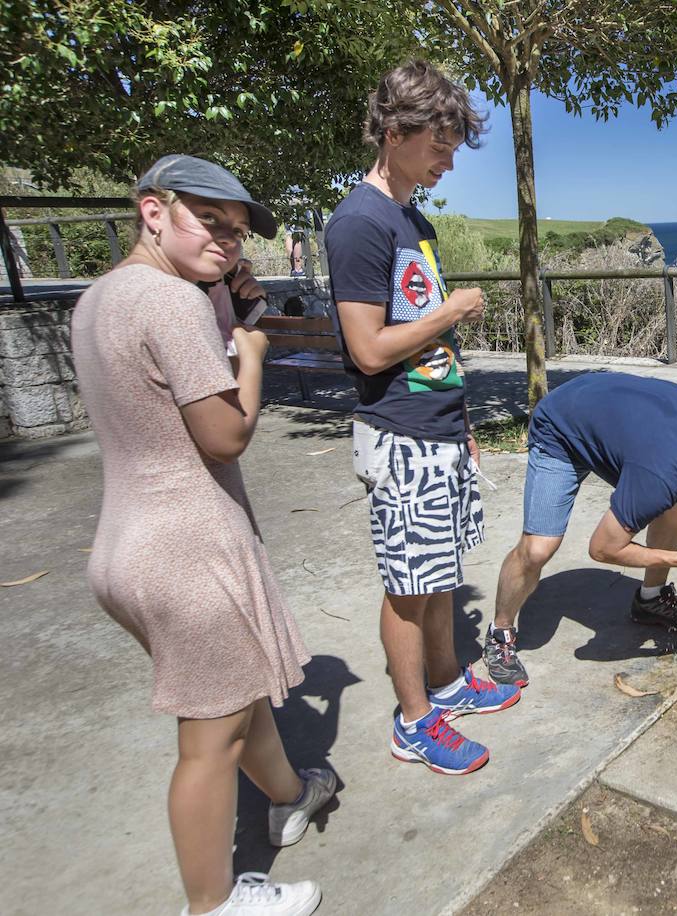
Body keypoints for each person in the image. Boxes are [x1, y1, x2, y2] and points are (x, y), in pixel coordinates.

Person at [70, 154, 334, 916]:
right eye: (209, 222)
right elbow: (223, 435)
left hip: (125, 544)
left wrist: (226, 313)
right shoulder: (172, 303)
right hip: (188, 549)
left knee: (238, 696)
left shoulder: (101, 300)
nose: (227, 241)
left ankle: (289, 798)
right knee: (208, 744)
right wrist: (250, 356)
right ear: (154, 211)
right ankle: (212, 904)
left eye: (238, 232)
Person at [325, 60, 519, 778]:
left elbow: (428, 347)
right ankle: (414, 722)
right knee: (407, 585)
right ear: (397, 131)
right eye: (439, 143)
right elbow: (369, 349)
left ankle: (445, 684)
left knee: (439, 571)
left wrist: (459, 418)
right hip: (398, 435)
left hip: (437, 428)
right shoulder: (358, 224)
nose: (448, 158)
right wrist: (451, 310)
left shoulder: (414, 220)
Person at [482, 372, 677, 687]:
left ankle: (651, 600)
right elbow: (603, 548)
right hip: (561, 423)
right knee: (538, 548)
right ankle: (499, 632)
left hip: (612, 408)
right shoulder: (660, 480)